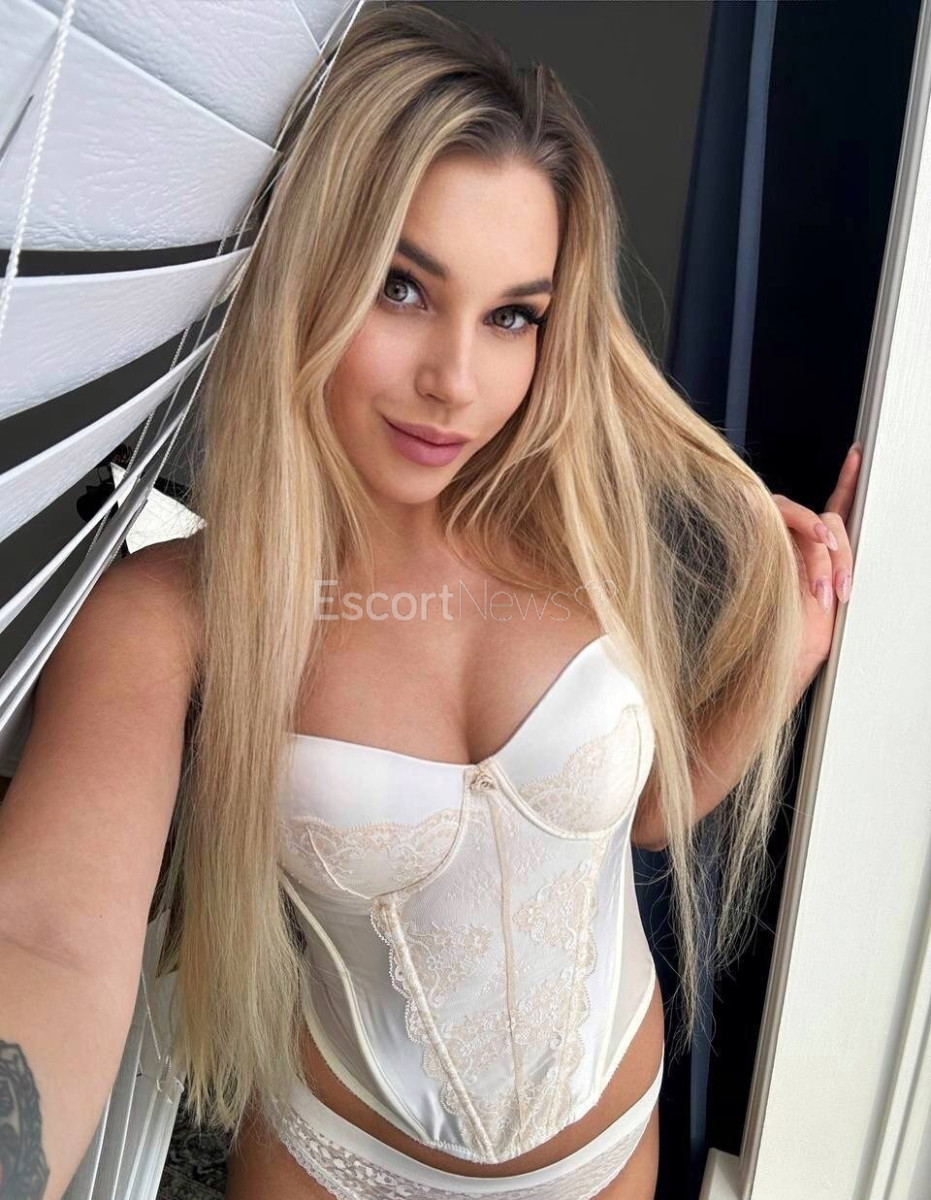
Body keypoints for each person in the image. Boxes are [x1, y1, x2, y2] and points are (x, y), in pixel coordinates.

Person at [0, 4, 859, 1199]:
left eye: (512, 315)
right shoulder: (174, 616)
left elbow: (644, 821)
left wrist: (788, 658)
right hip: (336, 1167)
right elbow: (44, 936)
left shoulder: (588, 540)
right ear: (308, 273)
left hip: (615, 1149)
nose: (456, 381)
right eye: (401, 288)